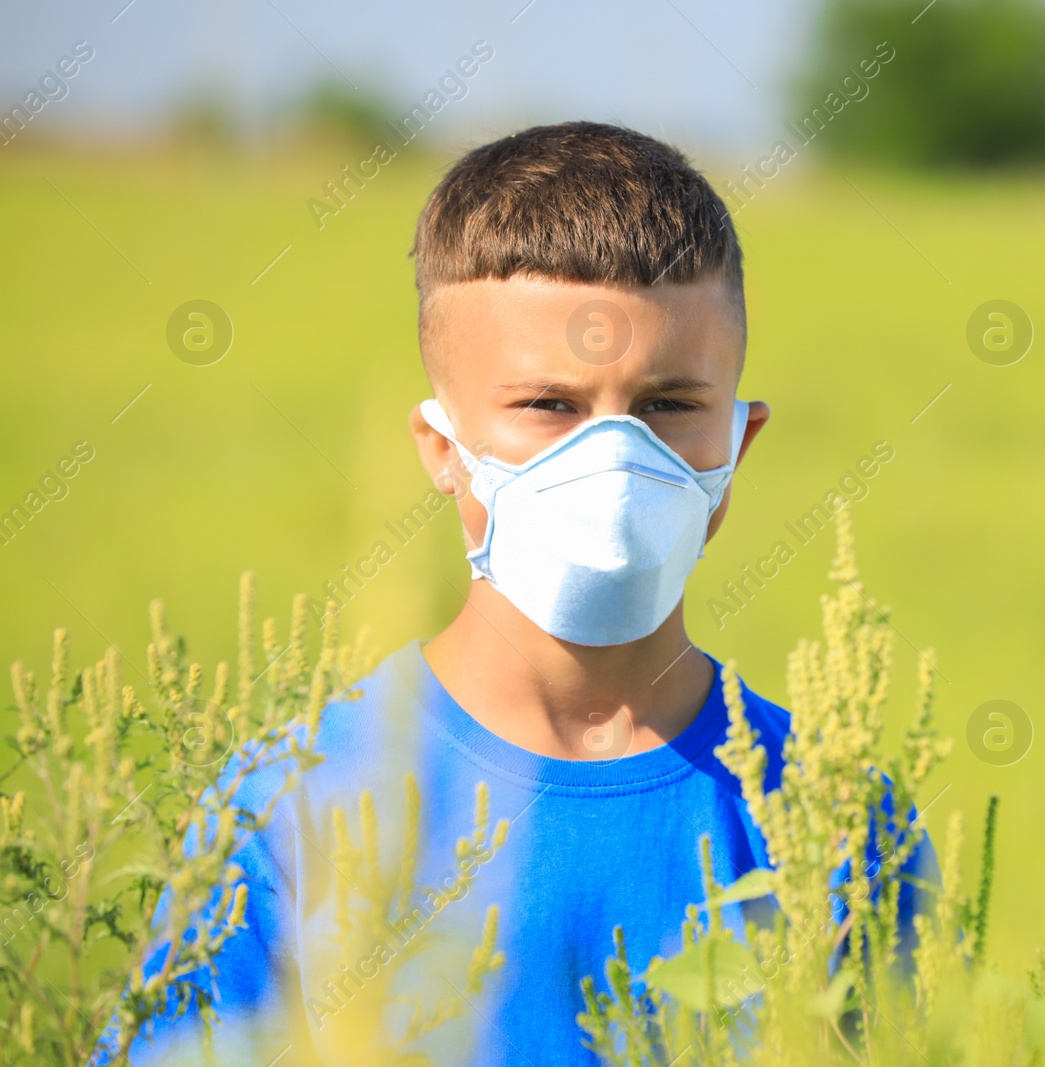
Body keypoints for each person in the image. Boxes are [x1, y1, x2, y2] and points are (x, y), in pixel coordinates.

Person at [111, 122, 928, 1067]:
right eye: (550, 405)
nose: (616, 462)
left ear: (736, 447)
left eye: (668, 405)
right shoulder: (285, 811)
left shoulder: (835, 820)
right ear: (444, 452)